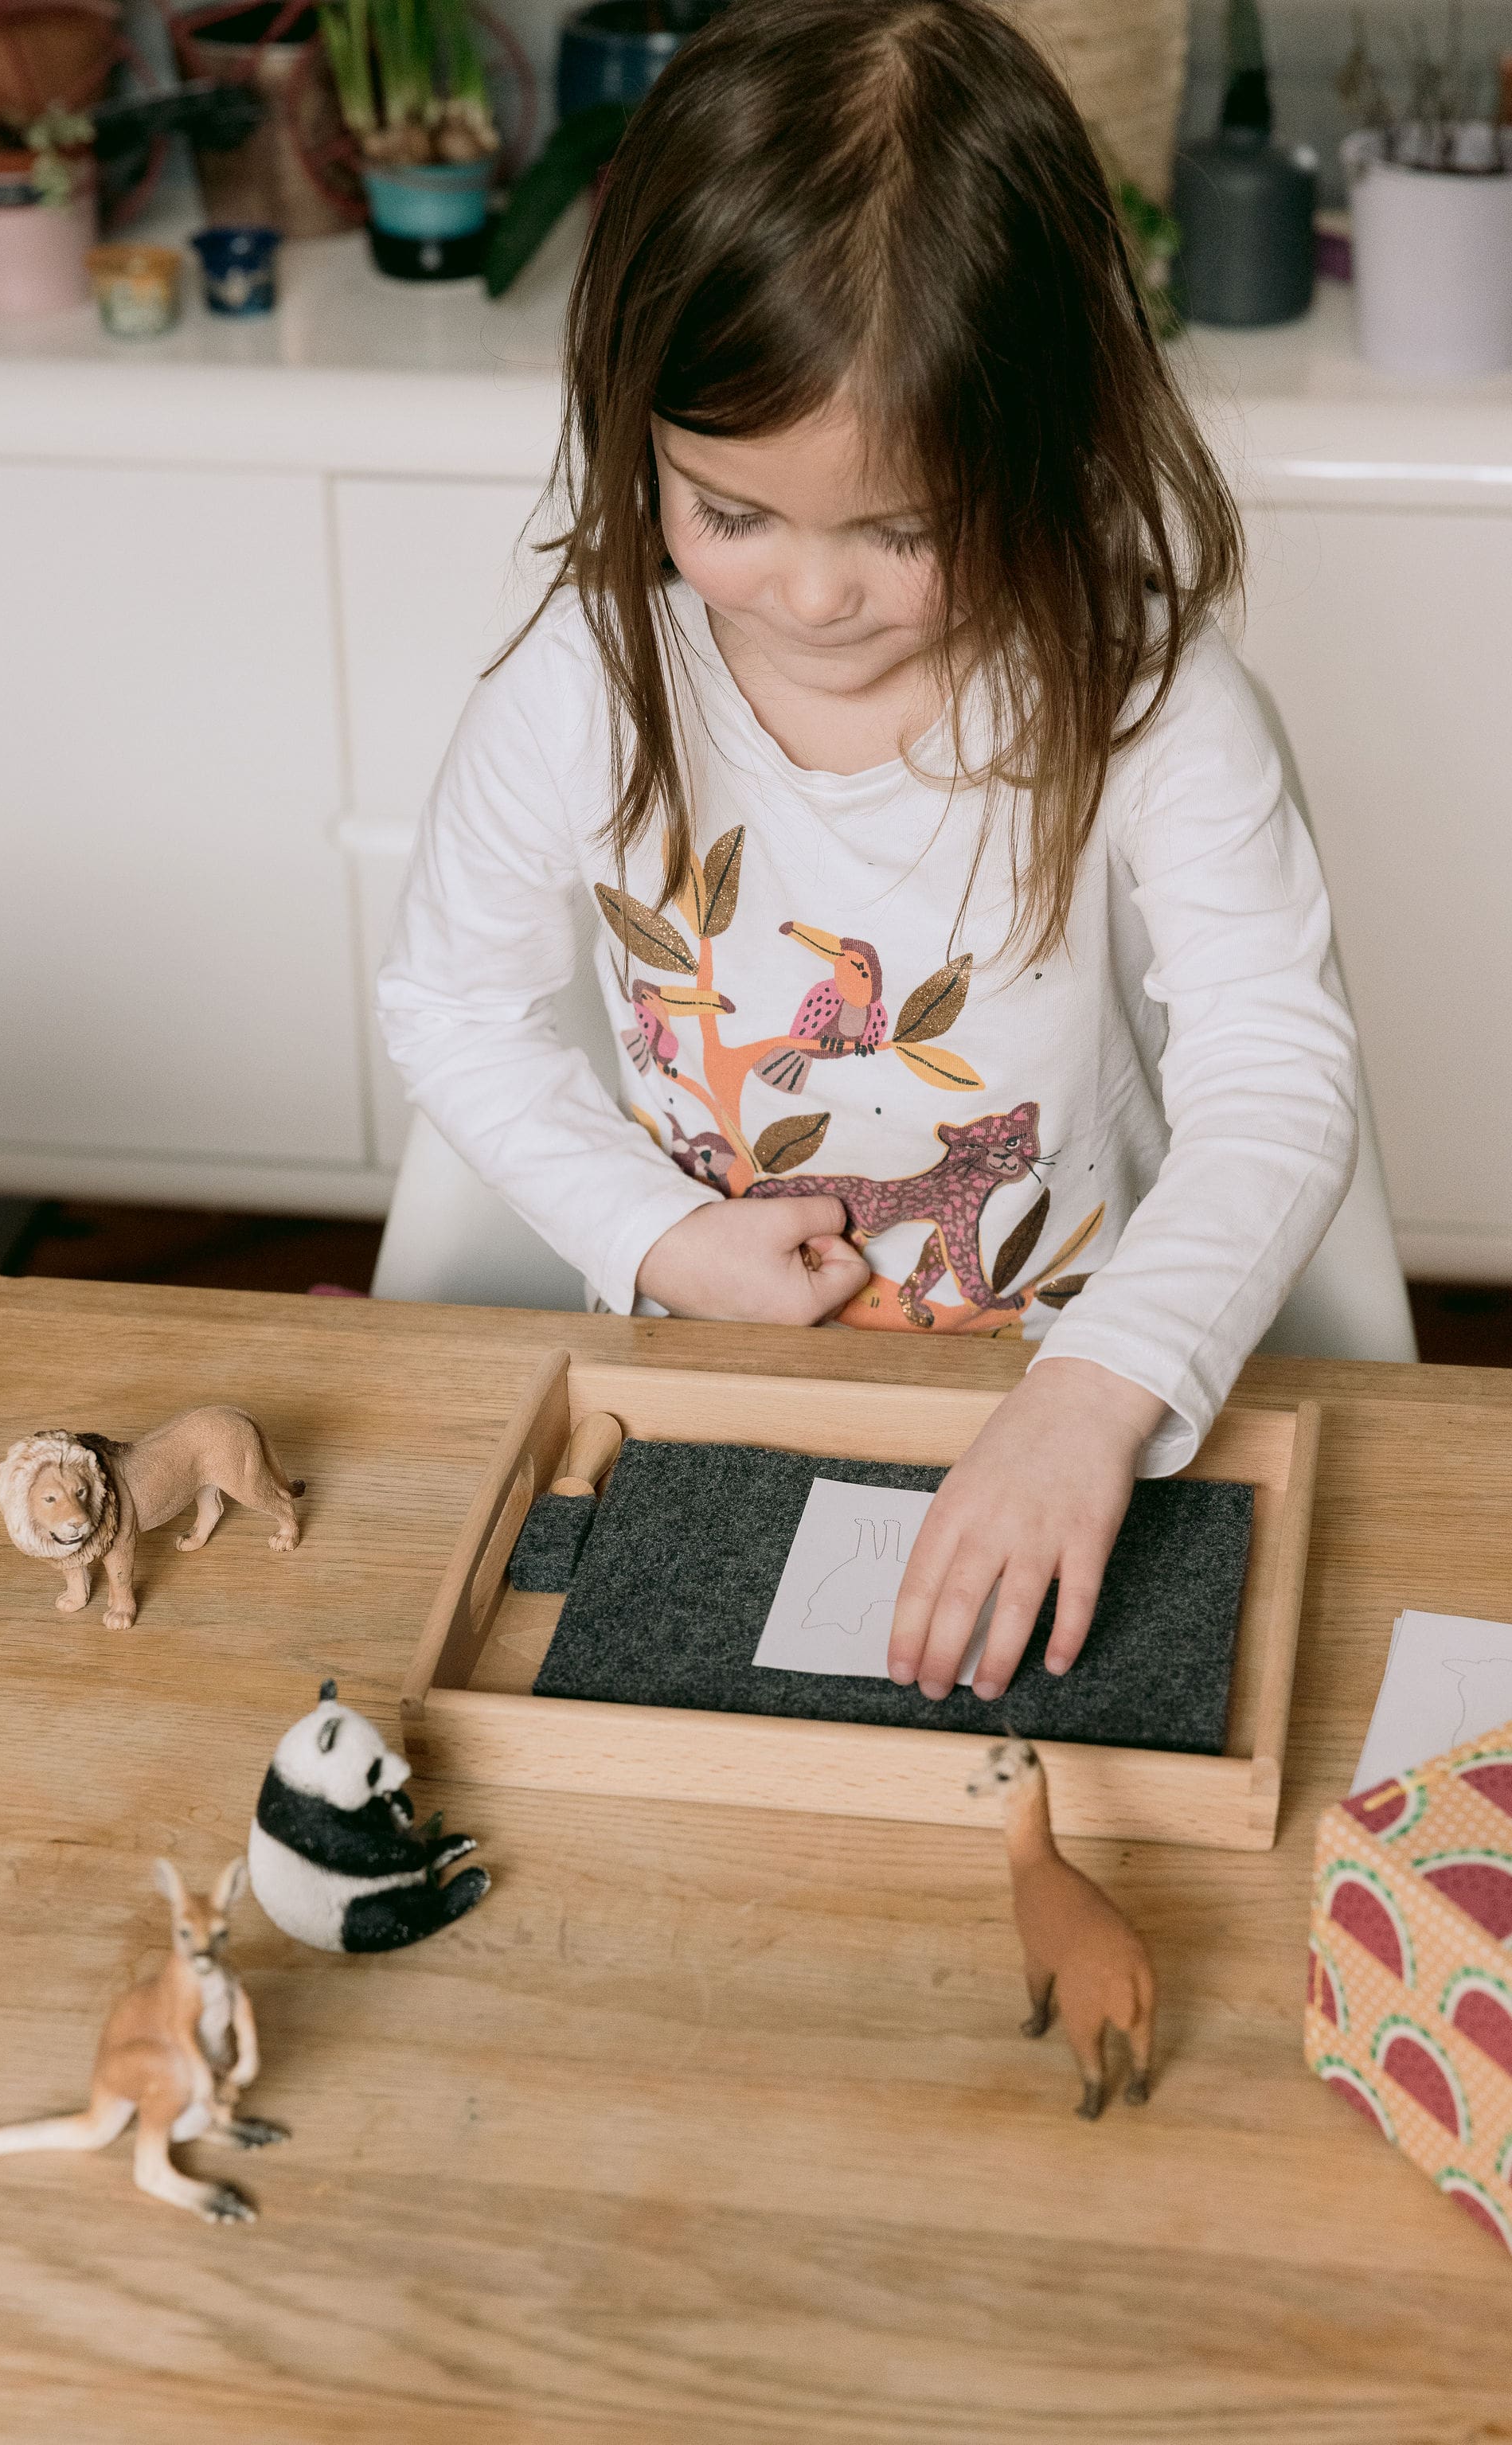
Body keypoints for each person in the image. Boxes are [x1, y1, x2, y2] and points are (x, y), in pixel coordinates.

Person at [378, 0, 1356, 1711]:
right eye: (729, 513)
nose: (814, 596)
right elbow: (451, 1005)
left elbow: (1277, 1074)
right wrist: (657, 1240)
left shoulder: (1149, 703)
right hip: (712, 1387)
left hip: (1072, 1391)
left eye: (902, 530)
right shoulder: (579, 690)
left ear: (1046, 440)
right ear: (638, 426)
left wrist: (1096, 1390)